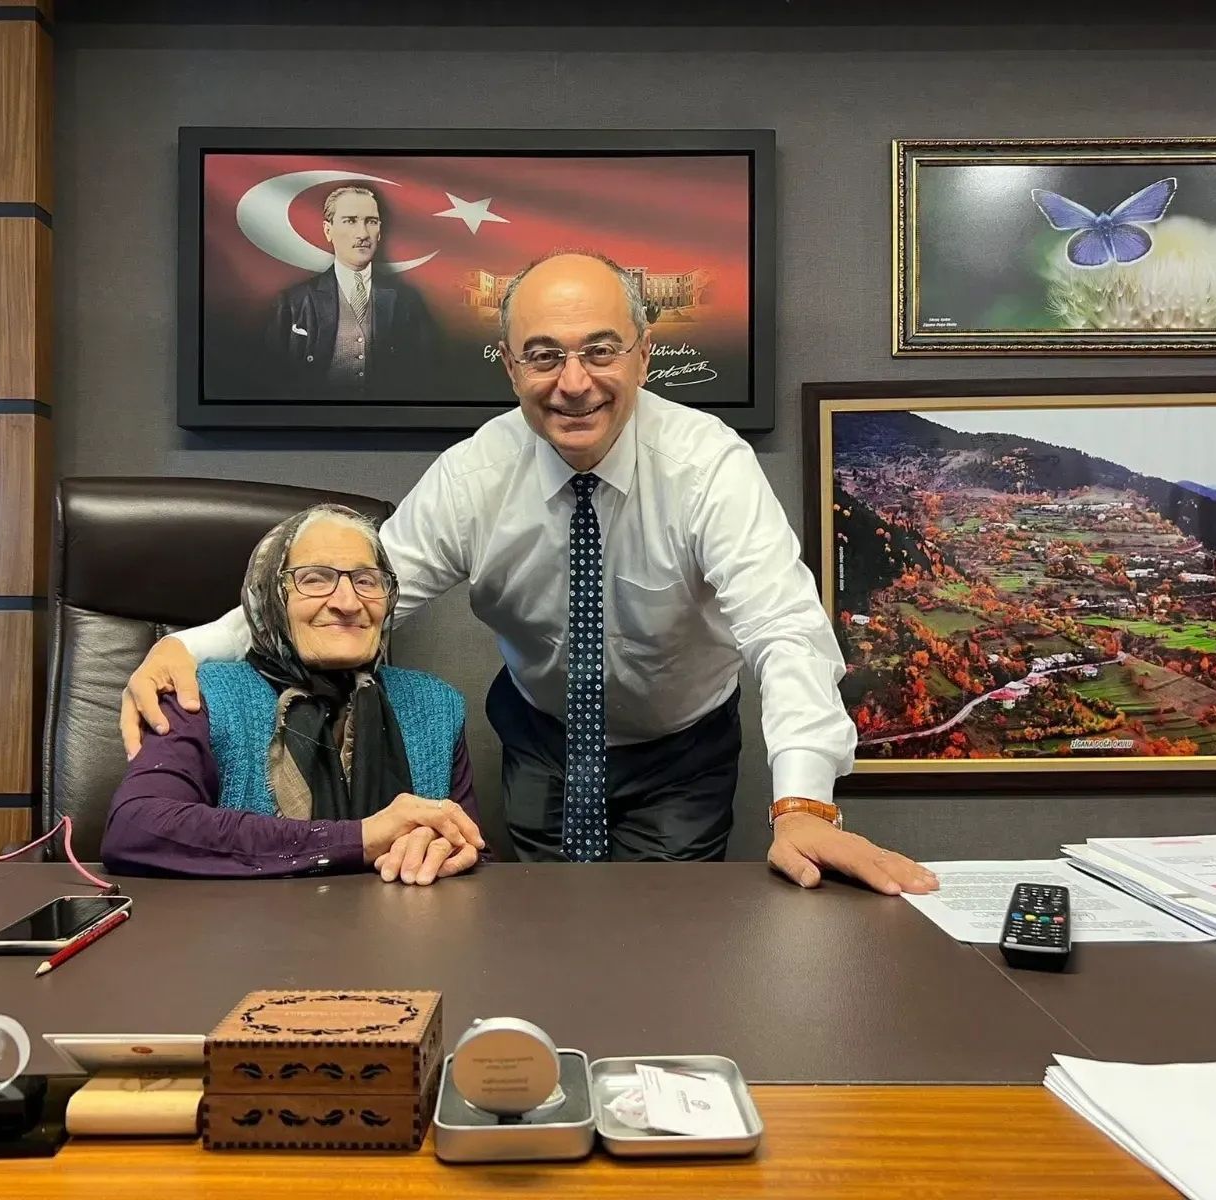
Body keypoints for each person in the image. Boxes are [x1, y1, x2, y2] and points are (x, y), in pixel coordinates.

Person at [126, 252, 936, 896]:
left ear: (644, 357)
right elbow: (361, 594)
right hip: (543, 741)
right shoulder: (476, 475)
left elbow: (784, 630)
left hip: (680, 750)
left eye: (601, 351)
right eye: (544, 356)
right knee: (547, 926)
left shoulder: (708, 468)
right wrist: (188, 648)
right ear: (511, 369)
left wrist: (803, 805)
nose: (573, 383)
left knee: (669, 942)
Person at [103, 503, 485, 884]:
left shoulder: (435, 706)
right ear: (270, 598)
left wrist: (445, 849)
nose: (348, 603)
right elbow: (136, 828)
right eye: (315, 579)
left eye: (367, 581)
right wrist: (361, 839)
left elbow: (470, 851)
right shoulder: (201, 696)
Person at [267, 185, 436, 398]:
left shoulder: (407, 301)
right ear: (328, 230)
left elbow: (423, 376)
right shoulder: (293, 302)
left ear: (380, 231)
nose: (363, 234)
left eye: (371, 221)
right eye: (350, 221)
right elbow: (273, 379)